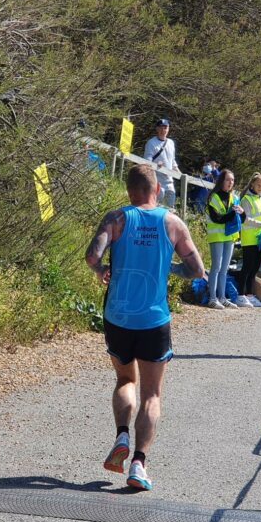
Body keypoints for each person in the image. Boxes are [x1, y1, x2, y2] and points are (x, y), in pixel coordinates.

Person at [85, 164, 205, 491]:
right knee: (152, 394)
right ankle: (138, 462)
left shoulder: (117, 219)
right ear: (157, 190)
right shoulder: (172, 222)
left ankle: (121, 435)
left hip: (118, 317)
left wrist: (105, 269)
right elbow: (196, 269)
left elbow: (92, 256)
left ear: (129, 191)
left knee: (125, 379)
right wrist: (170, 269)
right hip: (154, 318)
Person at [205, 169, 243, 309]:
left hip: (229, 236)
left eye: (232, 180)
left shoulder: (234, 197)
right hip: (217, 236)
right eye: (228, 180)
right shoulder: (213, 197)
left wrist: (241, 212)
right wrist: (232, 213)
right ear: (221, 181)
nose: (230, 183)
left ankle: (222, 297)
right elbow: (217, 218)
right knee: (216, 267)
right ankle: (212, 298)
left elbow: (241, 219)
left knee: (225, 268)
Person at [238, 173, 261, 306]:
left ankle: (250, 295)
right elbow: (246, 220)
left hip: (260, 238)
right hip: (249, 237)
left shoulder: (260, 199)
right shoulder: (246, 199)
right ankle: (240, 295)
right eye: (259, 185)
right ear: (252, 185)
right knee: (247, 267)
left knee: (255, 268)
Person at [143, 119, 178, 208]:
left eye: (165, 127)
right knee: (156, 207)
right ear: (157, 129)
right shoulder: (151, 143)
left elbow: (173, 161)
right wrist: (156, 165)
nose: (163, 130)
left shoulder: (171, 143)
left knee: (170, 209)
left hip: (169, 182)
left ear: (168, 129)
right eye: (161, 128)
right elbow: (147, 162)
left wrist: (181, 175)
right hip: (157, 180)